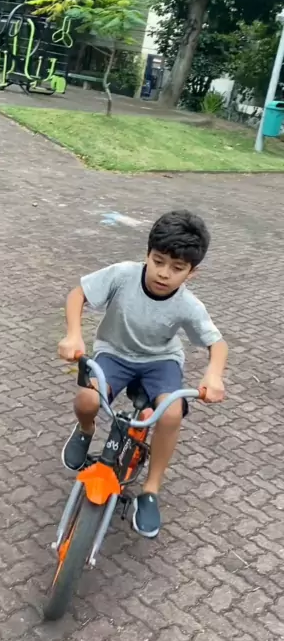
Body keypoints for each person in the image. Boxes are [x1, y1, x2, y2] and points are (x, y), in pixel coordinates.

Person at [58, 209, 228, 539]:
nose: (164, 273)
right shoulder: (123, 275)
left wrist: (214, 375)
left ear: (192, 272)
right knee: (87, 400)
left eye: (177, 268)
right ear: (147, 254)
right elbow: (78, 294)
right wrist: (74, 334)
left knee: (171, 413)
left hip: (159, 361)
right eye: (158, 261)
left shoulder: (188, 304)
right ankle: (85, 430)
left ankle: (150, 491)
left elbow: (217, 344)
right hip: (114, 353)